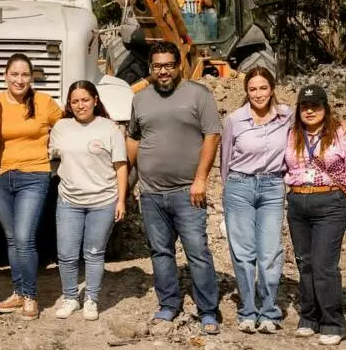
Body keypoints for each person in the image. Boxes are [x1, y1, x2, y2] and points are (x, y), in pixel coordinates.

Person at [125, 40, 223, 334]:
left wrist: (201, 179)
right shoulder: (140, 99)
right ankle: (168, 304)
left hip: (187, 191)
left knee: (197, 251)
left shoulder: (198, 94)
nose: (163, 71)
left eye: (169, 65)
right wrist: (126, 180)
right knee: (160, 251)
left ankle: (208, 310)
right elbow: (133, 138)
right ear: (150, 68)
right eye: (157, 66)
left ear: (179, 65)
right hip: (151, 193)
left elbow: (212, 135)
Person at [284, 84, 346, 346]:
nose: (309, 111)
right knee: (304, 262)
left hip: (330, 201)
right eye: (304, 107)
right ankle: (309, 316)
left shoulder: (341, 133)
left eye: (315, 106)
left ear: (325, 108)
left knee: (324, 265)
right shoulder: (291, 133)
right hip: (298, 201)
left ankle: (332, 322)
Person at [220, 66, 292, 333]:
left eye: (263, 88)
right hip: (240, 185)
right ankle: (248, 311)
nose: (258, 94)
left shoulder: (286, 116)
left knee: (271, 252)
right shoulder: (234, 120)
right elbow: (225, 159)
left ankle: (270, 312)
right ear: (246, 92)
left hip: (273, 187)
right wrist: (227, 191)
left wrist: (341, 123)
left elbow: (317, 119)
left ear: (272, 88)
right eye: (253, 89)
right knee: (243, 253)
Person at [49, 82, 128, 320]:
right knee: (66, 253)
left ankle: (91, 298)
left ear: (95, 100)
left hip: (103, 200)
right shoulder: (61, 127)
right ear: (69, 105)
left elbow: (121, 166)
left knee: (94, 252)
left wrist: (121, 201)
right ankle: (71, 297)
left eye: (85, 100)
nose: (80, 105)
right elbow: (52, 156)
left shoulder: (109, 128)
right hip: (69, 201)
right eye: (75, 101)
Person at [0, 54, 62, 319]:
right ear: (6, 75)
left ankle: (31, 295)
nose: (19, 80)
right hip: (1, 175)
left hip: (34, 175)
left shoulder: (44, 103)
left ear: (31, 78)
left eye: (24, 75)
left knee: (24, 237)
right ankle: (18, 292)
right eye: (14, 74)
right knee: (11, 239)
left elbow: (70, 123)